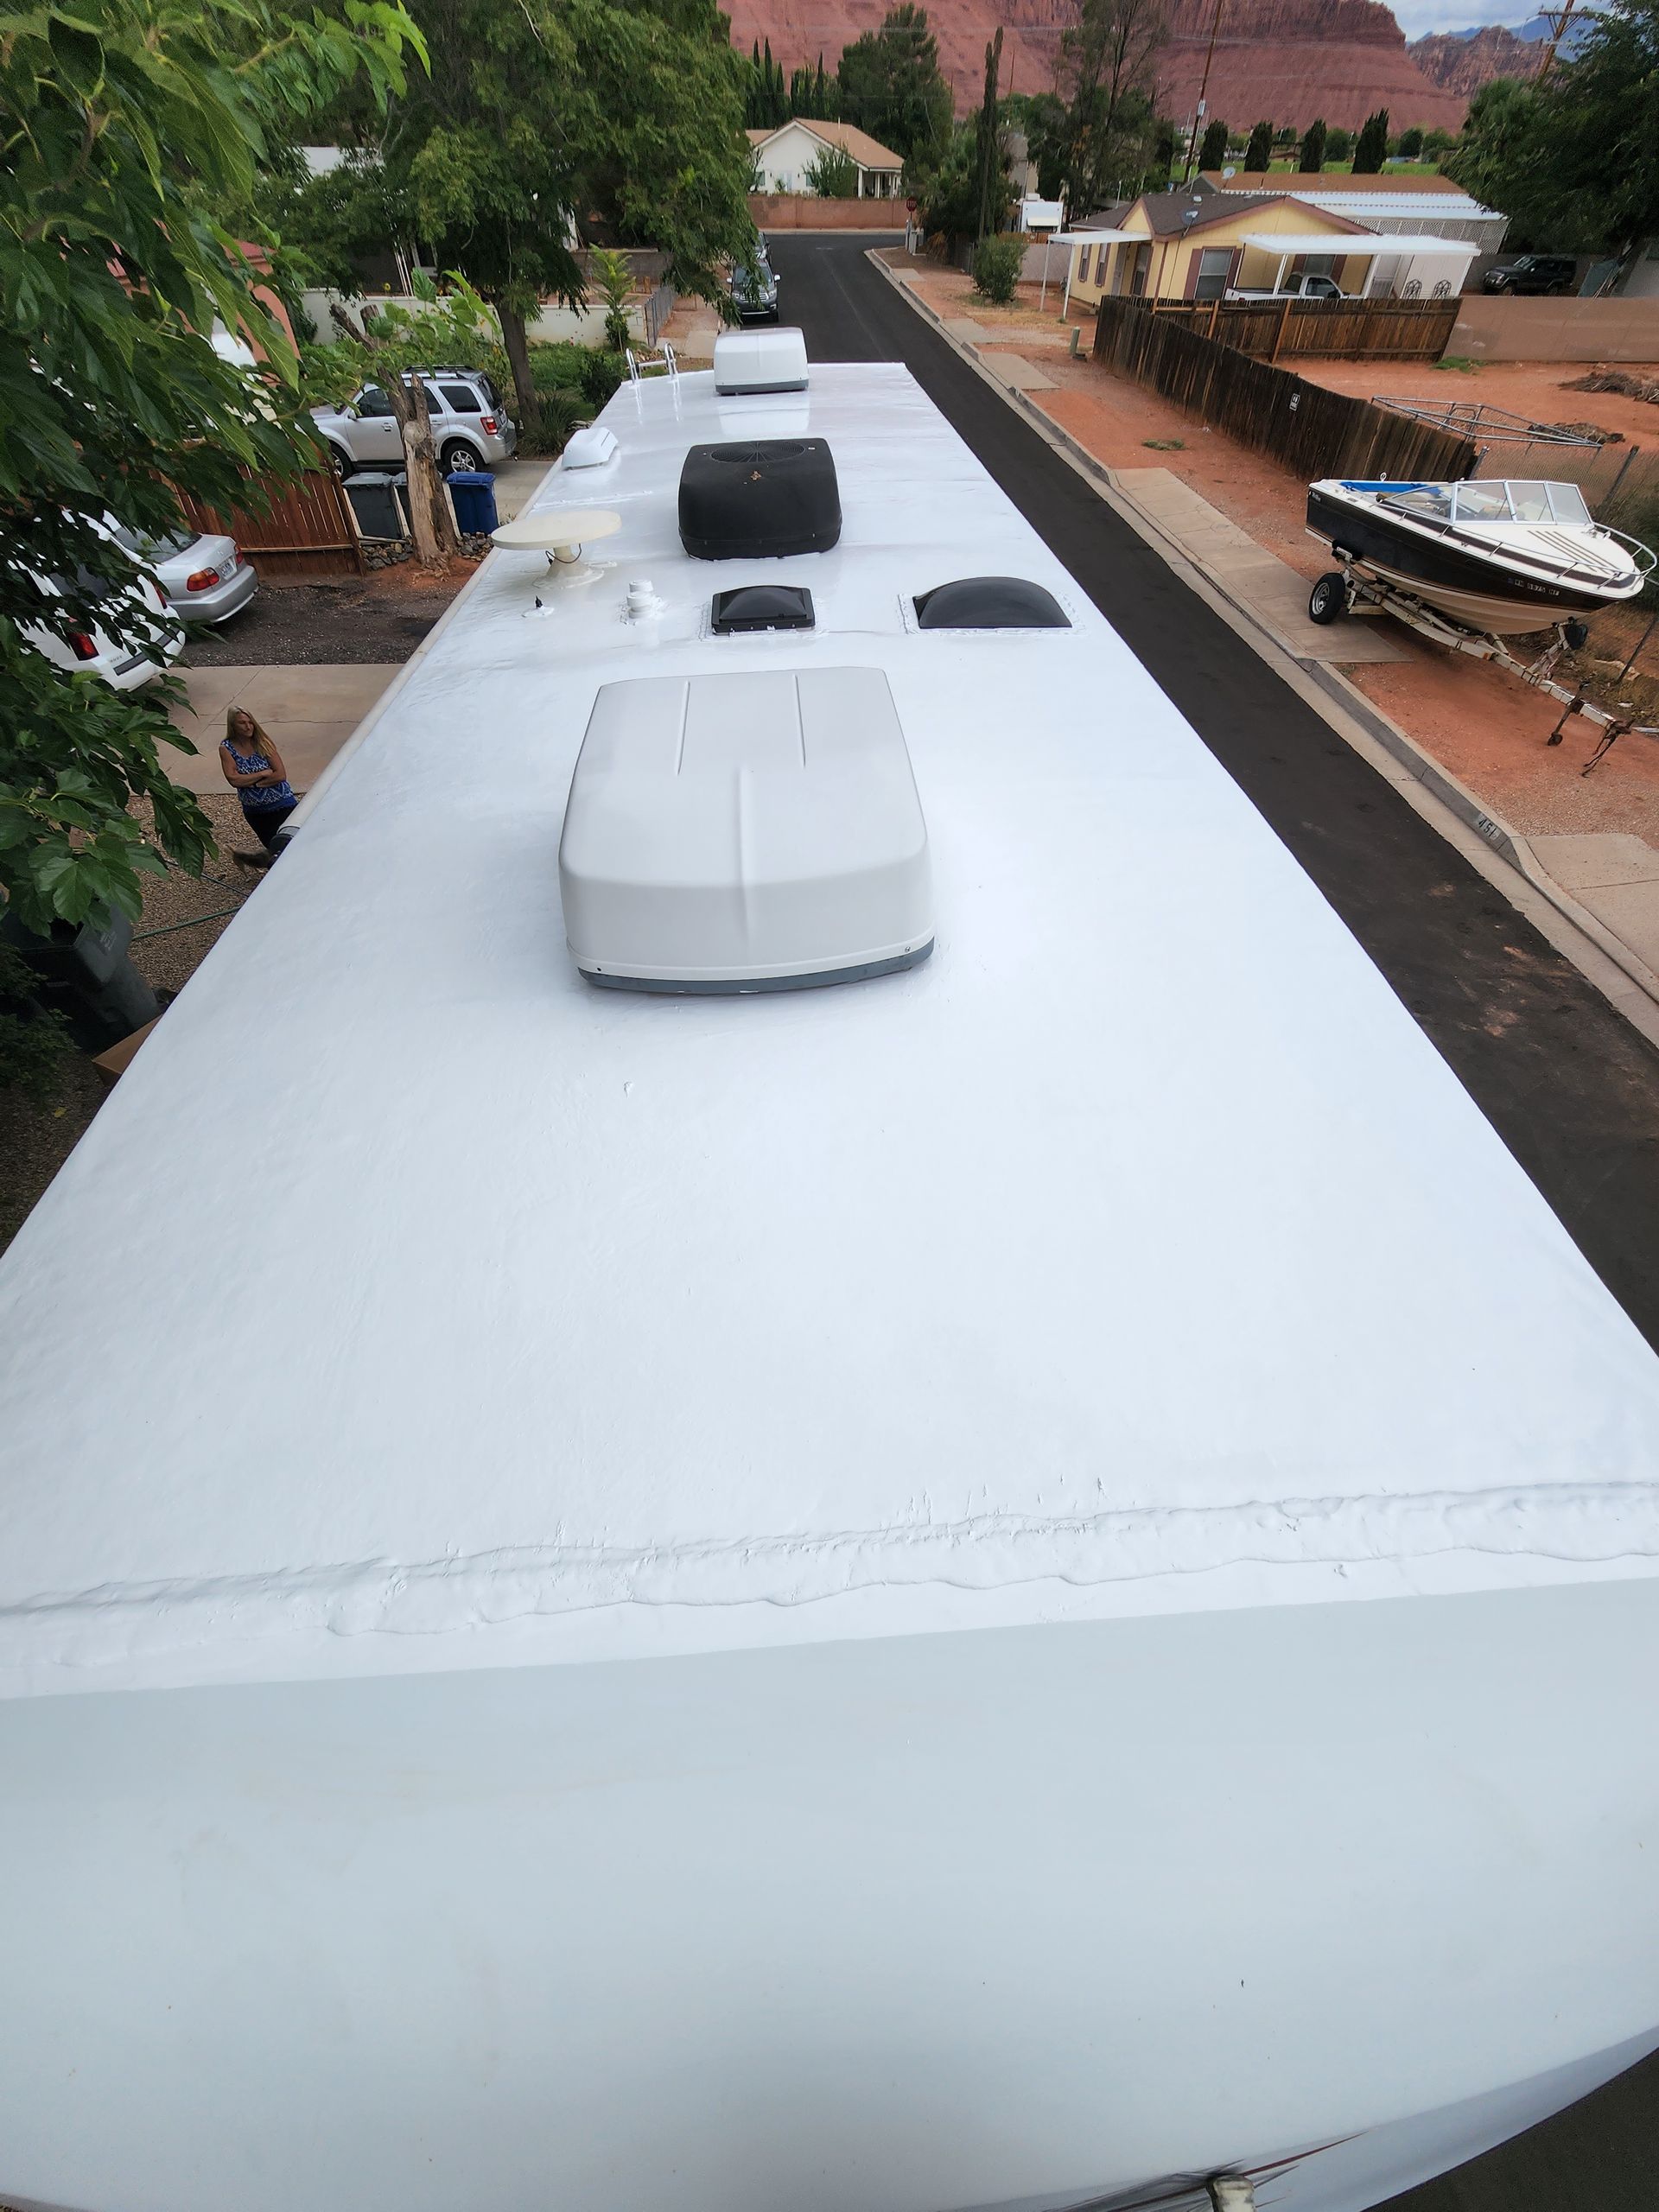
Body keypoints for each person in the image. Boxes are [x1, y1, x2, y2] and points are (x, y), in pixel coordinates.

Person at [219, 708, 297, 865]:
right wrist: (262, 774)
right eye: (242, 723)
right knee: (275, 848)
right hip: (256, 812)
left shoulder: (263, 743)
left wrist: (250, 783)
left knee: (294, 842)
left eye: (250, 722)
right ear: (233, 725)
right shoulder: (226, 748)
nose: (248, 727)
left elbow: (280, 775)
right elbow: (233, 779)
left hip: (283, 805)